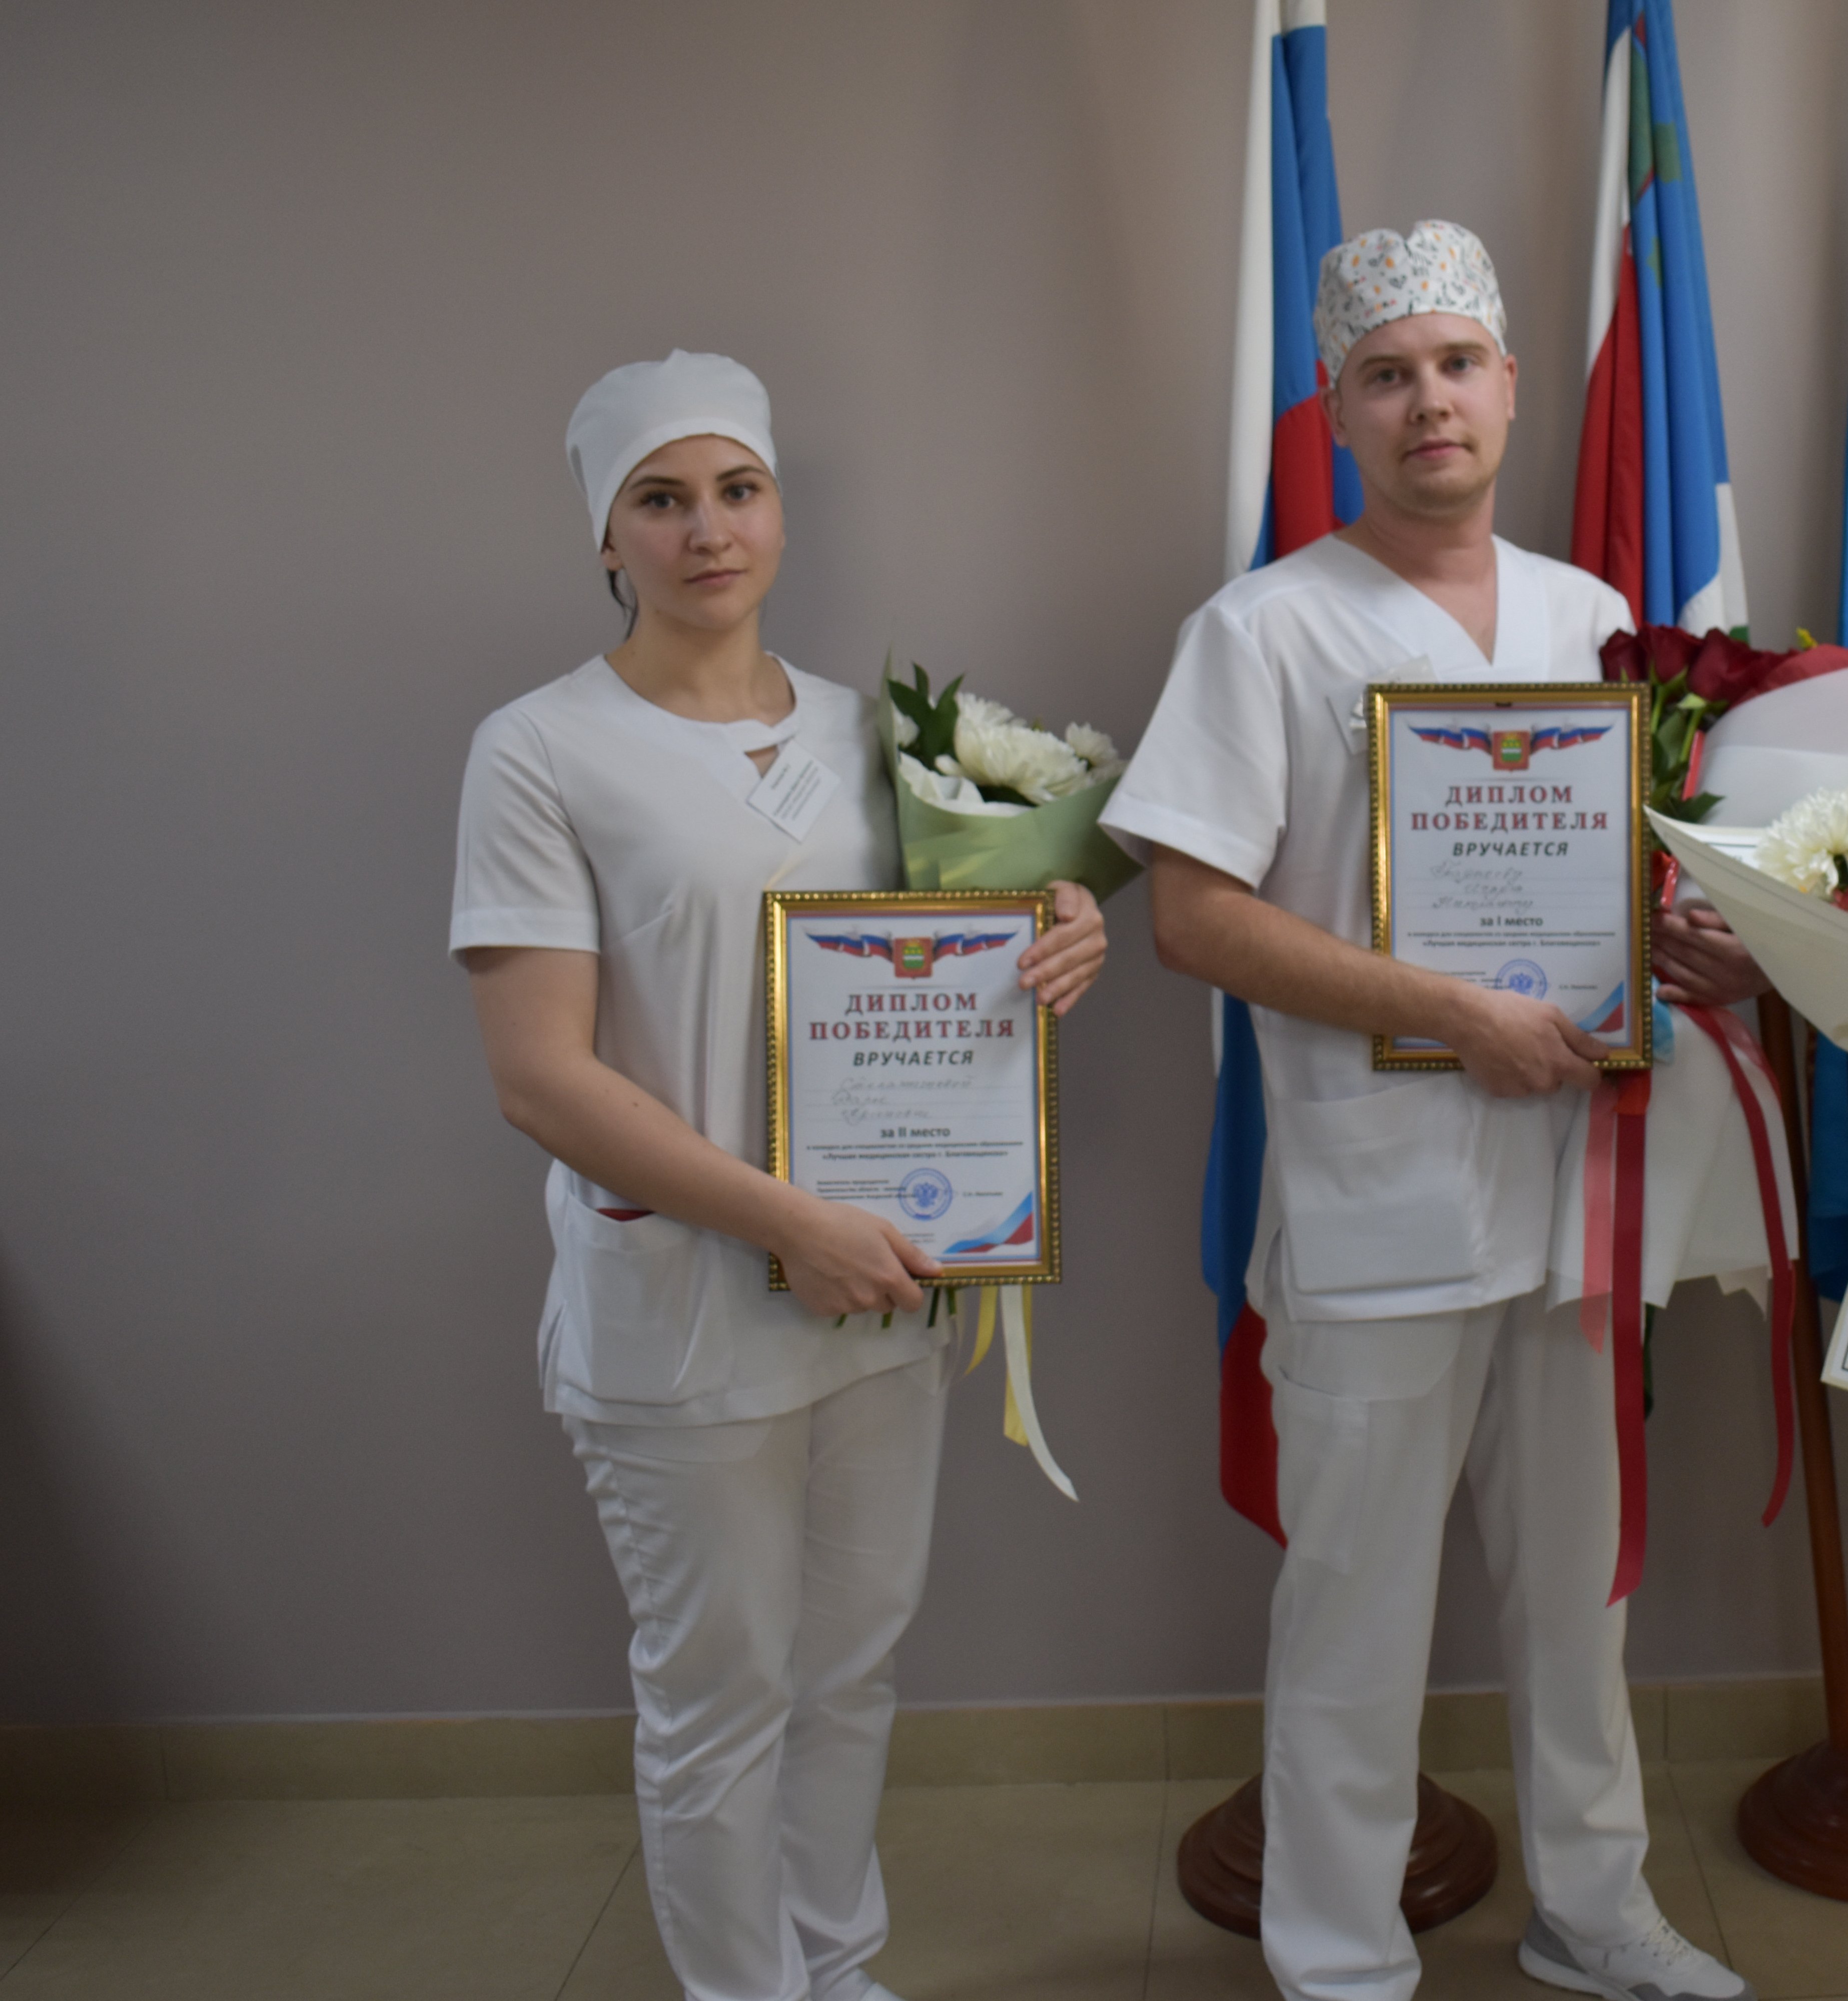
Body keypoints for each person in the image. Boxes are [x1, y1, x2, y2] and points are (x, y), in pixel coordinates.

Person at [1101, 224, 1750, 2001]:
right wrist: (1449, 1013)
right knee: (1354, 1616)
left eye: (1458, 364)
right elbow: (1191, 918)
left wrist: (1683, 942)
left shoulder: (1593, 621)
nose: (1429, 402)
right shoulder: (1262, 629)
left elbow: (1617, 885)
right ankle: (1339, 1962)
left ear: (1512, 386)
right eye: (1386, 376)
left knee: (1581, 1596)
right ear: (1339, 411)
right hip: (1375, 1204)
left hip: (1576, 1193)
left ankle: (1595, 1913)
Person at [450, 350, 1106, 2001]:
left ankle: (836, 1965)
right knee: (719, 1696)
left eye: (736, 490)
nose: (707, 532)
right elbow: (539, 1074)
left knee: (851, 1671)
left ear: (781, 512)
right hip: (689, 1302)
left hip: (880, 1288)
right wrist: (783, 1223)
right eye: (660, 501)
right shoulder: (540, 751)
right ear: (606, 536)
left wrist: (1054, 927)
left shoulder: (876, 735)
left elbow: (947, 960)